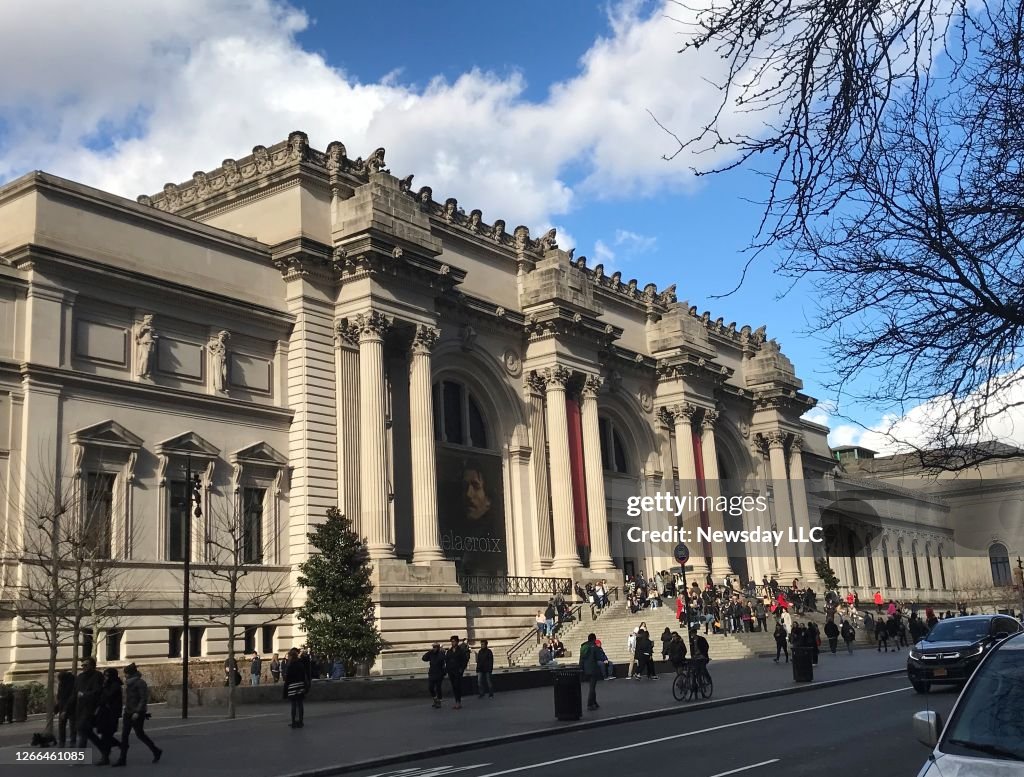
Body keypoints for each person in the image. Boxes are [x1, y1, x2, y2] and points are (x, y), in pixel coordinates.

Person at [114, 663, 161, 766]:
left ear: (131, 674)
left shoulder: (140, 683)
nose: (124, 675)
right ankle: (122, 759)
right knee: (124, 735)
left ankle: (156, 750)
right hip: (128, 711)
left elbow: (143, 698)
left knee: (140, 734)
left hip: (137, 713)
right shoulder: (129, 683)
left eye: (126, 673)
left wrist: (138, 712)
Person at [91, 668, 123, 765]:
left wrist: (104, 687)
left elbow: (109, 695)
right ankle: (119, 746)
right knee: (105, 735)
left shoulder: (115, 685)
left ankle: (105, 757)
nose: (105, 678)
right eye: (105, 675)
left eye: (107, 675)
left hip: (111, 714)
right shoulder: (106, 685)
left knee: (106, 736)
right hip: (103, 713)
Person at [73, 657, 103, 748]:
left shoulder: (97, 675)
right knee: (87, 733)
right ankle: (104, 750)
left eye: (86, 665)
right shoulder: (80, 677)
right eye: (82, 665)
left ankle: (80, 759)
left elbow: (98, 691)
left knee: (83, 732)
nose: (83, 667)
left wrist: (84, 695)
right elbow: (74, 693)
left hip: (91, 709)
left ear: (92, 666)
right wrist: (64, 709)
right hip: (80, 709)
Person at [578, 633, 608, 711]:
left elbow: (581, 658)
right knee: (592, 687)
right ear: (594, 639)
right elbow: (599, 657)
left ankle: (594, 702)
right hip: (593, 669)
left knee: (592, 686)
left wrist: (581, 668)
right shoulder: (594, 647)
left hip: (585, 669)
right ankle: (590, 703)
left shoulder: (583, 647)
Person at [283, 647, 310, 728]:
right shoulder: (300, 664)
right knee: (300, 704)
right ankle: (300, 721)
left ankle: (294, 722)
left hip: (292, 687)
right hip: (300, 686)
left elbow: (287, 679)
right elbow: (304, 676)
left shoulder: (290, 666)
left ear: (291, 656)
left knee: (294, 705)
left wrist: (285, 691)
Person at [445, 635, 471, 709]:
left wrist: (461, 669)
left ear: (457, 642)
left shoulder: (461, 651)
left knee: (457, 686)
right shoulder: (449, 651)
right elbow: (446, 660)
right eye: (452, 641)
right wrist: (447, 669)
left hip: (458, 672)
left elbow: (465, 660)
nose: (452, 643)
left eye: (454, 641)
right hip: (451, 672)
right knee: (454, 687)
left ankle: (458, 702)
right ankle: (457, 701)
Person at [422, 642, 447, 708]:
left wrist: (444, 672)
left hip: (439, 673)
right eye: (433, 647)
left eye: (435, 647)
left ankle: (439, 701)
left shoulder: (441, 653)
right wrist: (430, 652)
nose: (434, 648)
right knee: (430, 687)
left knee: (438, 688)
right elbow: (424, 658)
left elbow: (444, 662)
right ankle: (435, 699)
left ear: (438, 647)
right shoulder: (431, 653)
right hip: (432, 673)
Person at [55, 670, 75, 748]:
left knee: (71, 725)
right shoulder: (62, 683)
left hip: (70, 707)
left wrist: (65, 710)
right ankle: (63, 742)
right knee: (63, 725)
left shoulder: (70, 683)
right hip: (63, 706)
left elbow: (71, 697)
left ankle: (71, 741)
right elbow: (59, 696)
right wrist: (57, 707)